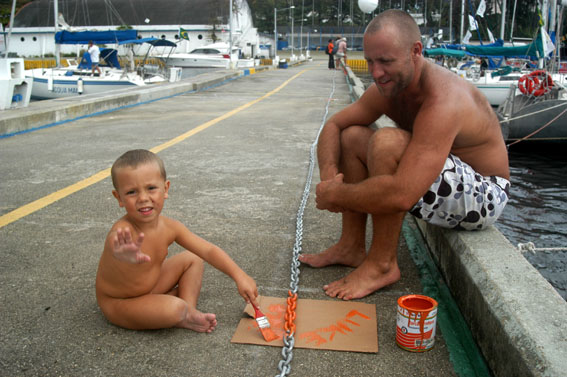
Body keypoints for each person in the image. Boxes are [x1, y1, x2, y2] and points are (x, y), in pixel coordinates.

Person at [299, 10, 510, 300]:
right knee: (351, 136)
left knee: (387, 143)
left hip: (485, 195)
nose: (376, 72)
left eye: (386, 62)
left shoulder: (444, 99)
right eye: (371, 61)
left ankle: (382, 264)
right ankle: (350, 246)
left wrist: (336, 195)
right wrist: (329, 175)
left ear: (415, 51)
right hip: (443, 179)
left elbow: (402, 194)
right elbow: (334, 125)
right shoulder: (388, 88)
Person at [96, 149, 259, 331]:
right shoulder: (123, 232)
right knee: (174, 309)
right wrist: (120, 255)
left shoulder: (170, 227)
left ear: (165, 189)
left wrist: (239, 275)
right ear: (119, 198)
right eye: (132, 192)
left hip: (152, 286)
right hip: (121, 302)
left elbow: (207, 250)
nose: (143, 198)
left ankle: (189, 309)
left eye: (151, 188)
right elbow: (114, 243)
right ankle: (182, 312)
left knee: (193, 258)